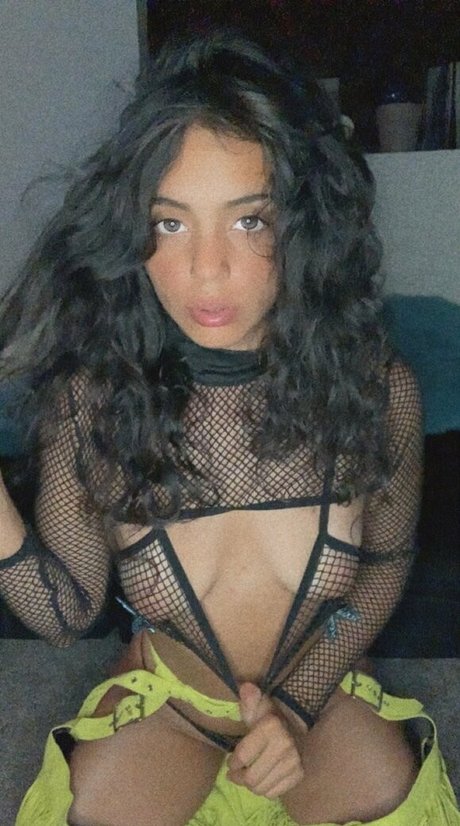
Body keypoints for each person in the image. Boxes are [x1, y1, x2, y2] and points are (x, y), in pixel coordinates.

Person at [0, 30, 458, 826]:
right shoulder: (95, 399)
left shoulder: (377, 391)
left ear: (302, 223)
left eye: (249, 221)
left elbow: (383, 571)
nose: (206, 270)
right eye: (170, 223)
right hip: (173, 711)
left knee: (394, 802)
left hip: (319, 703)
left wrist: (298, 707)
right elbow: (66, 614)